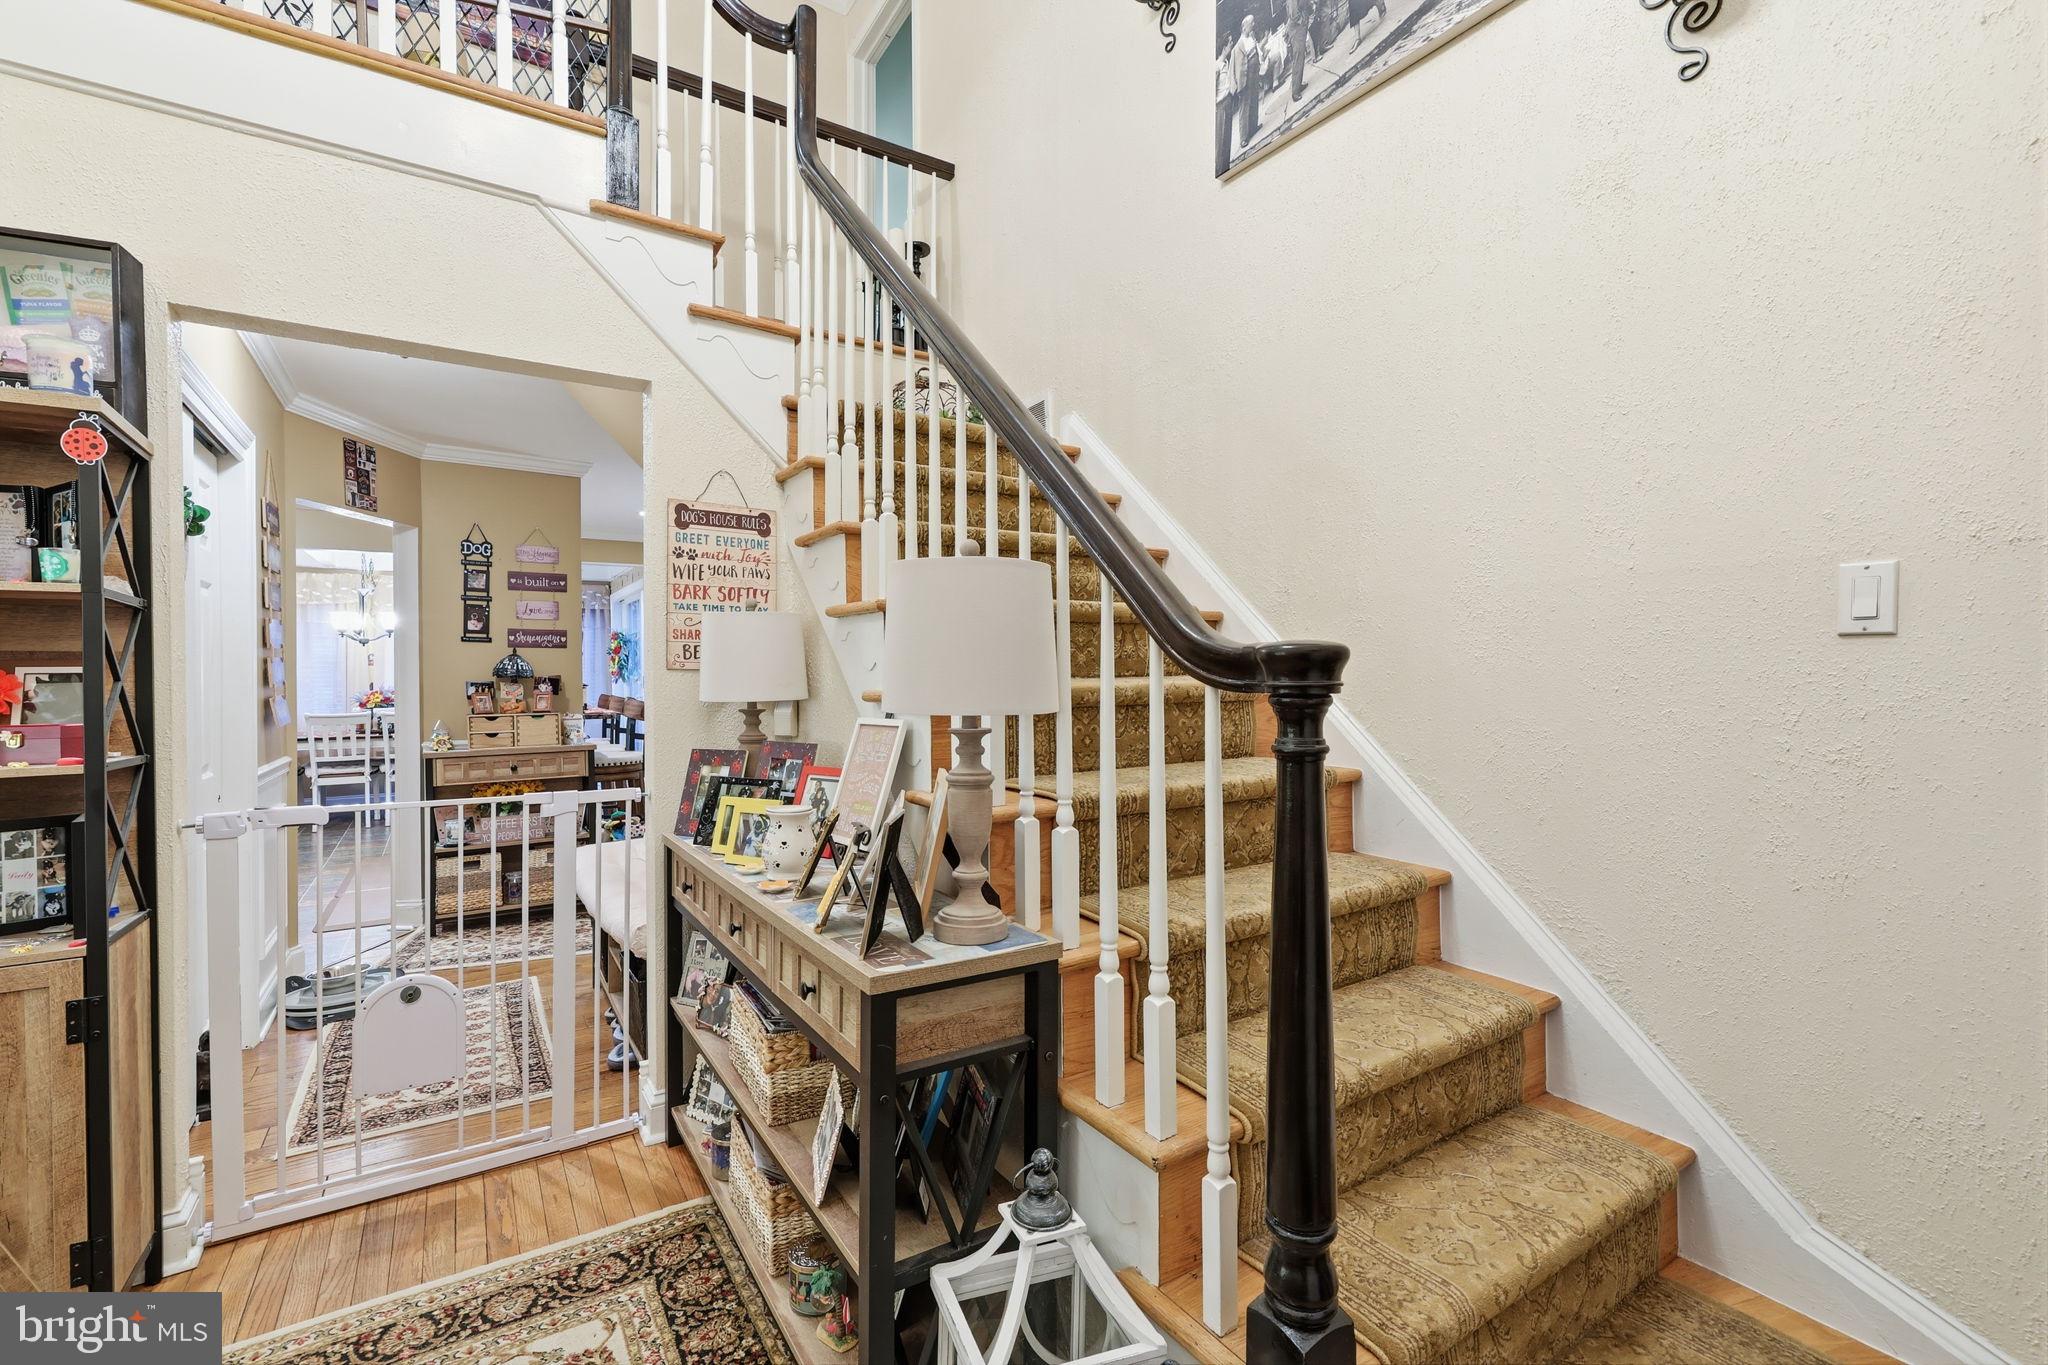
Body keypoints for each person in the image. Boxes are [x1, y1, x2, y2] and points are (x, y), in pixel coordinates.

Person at [1230, 14, 1263, 152]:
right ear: (1244, 26)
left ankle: (1253, 127)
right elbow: (1235, 68)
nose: (1254, 25)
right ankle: (1244, 137)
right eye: (1251, 23)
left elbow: (1256, 51)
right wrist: (1236, 84)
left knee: (1255, 99)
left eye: (1253, 22)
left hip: (1254, 73)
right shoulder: (1238, 47)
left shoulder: (1252, 37)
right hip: (1245, 78)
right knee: (1244, 106)